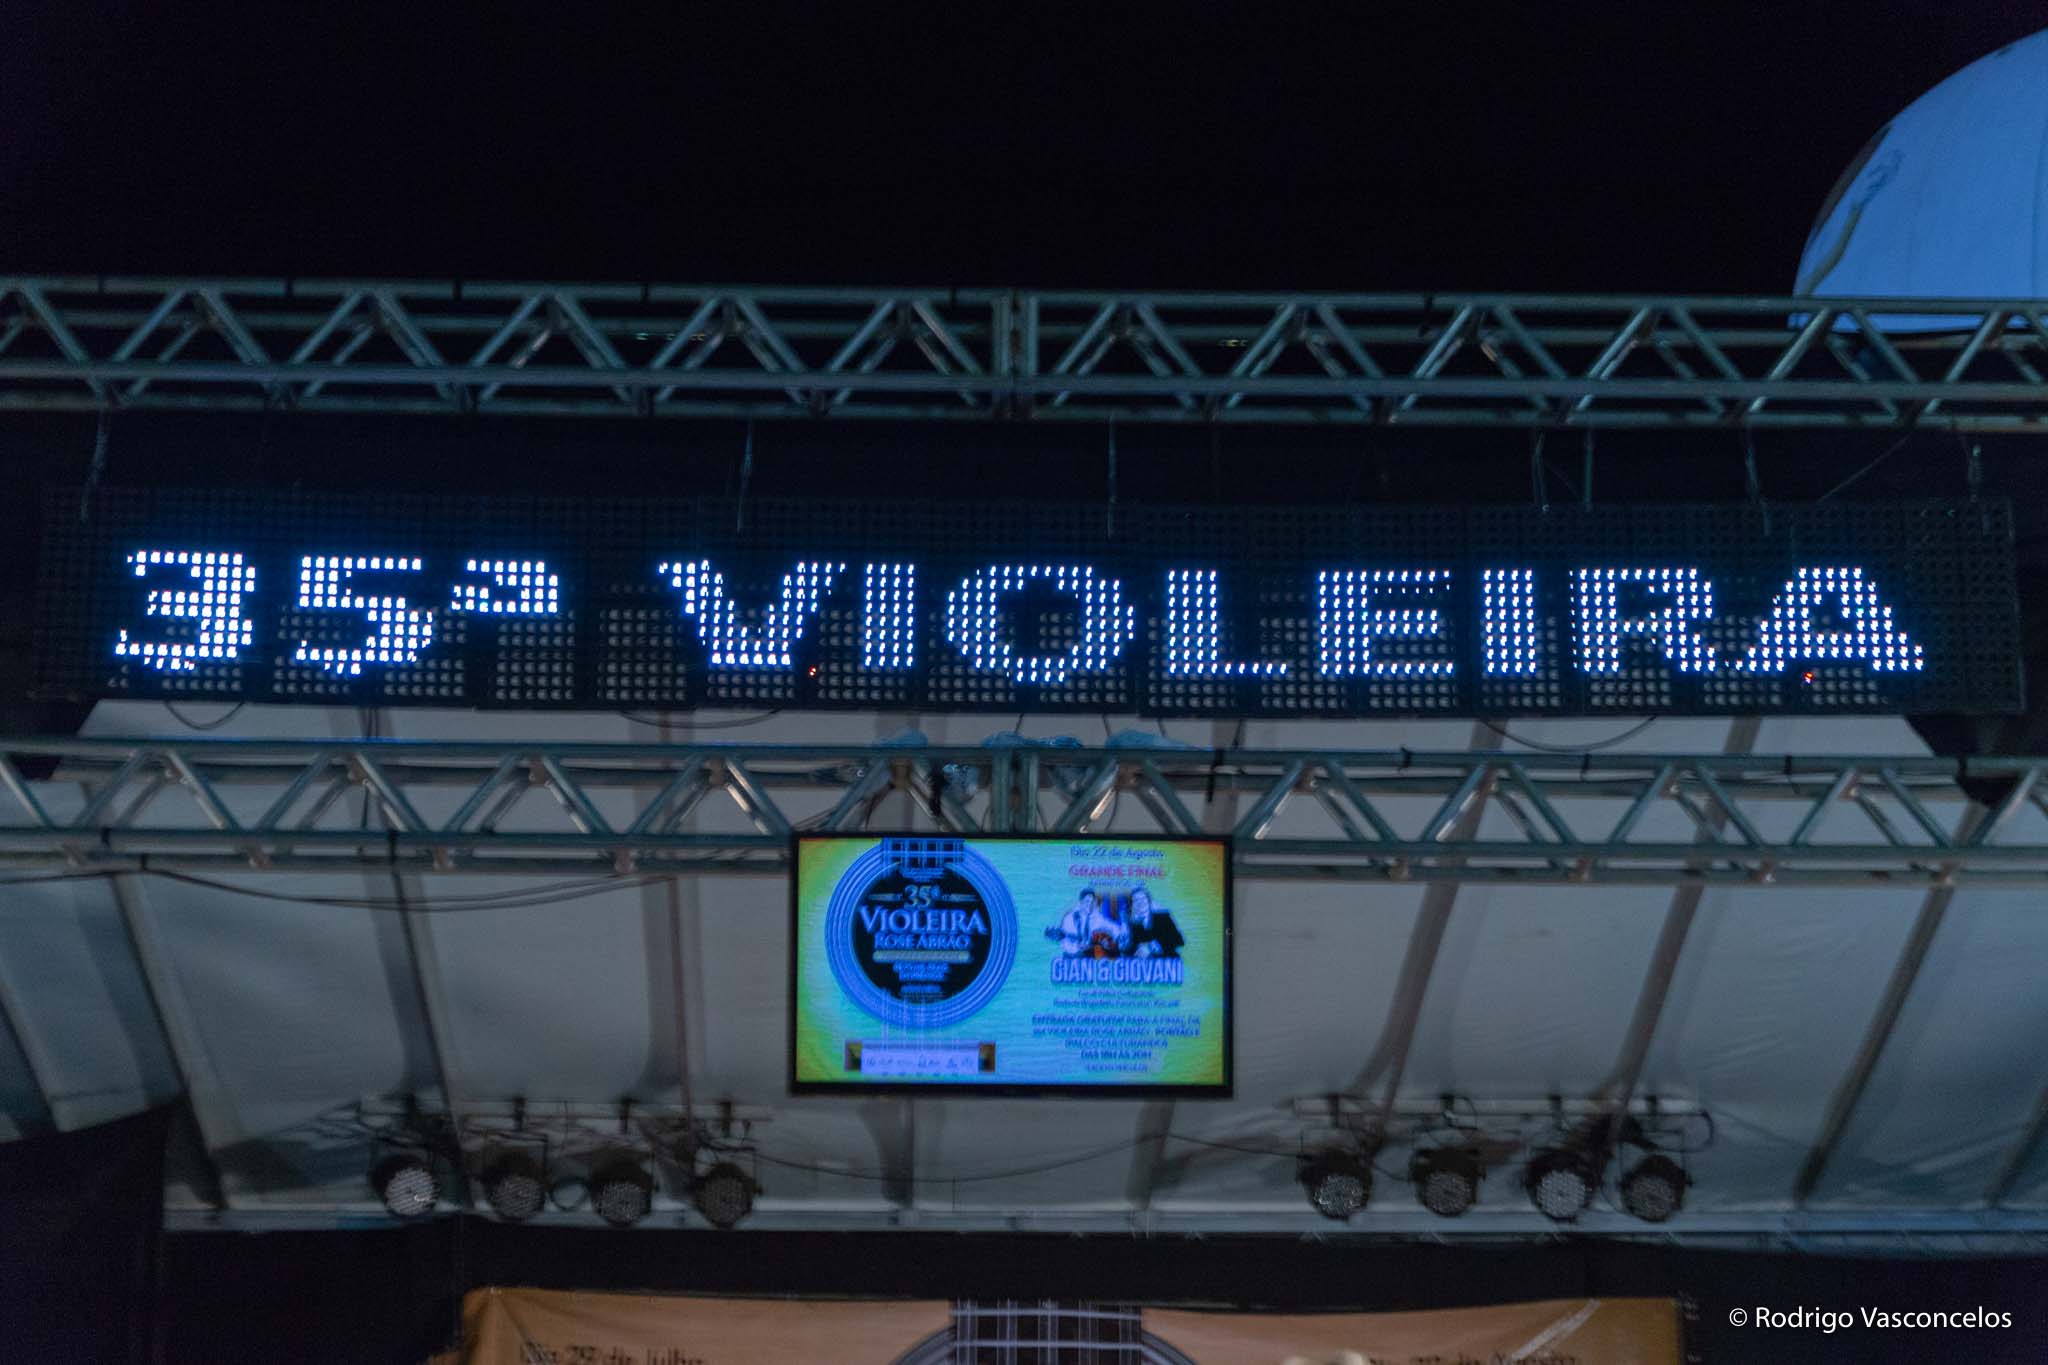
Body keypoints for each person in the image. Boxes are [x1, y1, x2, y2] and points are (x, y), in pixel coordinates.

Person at [1124, 886, 1184, 959]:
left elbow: (1179, 941)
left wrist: (1153, 947)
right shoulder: (1132, 925)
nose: (1140, 903)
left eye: (1143, 899)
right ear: (1132, 905)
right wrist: (1135, 950)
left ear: (1149, 902)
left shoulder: (1164, 918)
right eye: (1136, 900)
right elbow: (1130, 949)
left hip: (1168, 961)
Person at [1045, 888, 1103, 956]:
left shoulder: (1096, 915)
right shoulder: (1070, 918)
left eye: (1092, 902)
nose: (1090, 904)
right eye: (1087, 901)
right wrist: (1078, 947)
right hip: (1077, 956)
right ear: (1081, 902)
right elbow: (1067, 947)